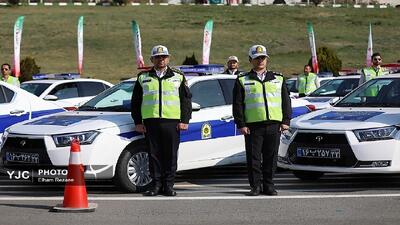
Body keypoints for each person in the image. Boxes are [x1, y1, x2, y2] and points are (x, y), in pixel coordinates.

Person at [131, 45, 192, 197]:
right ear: (152, 59)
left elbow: (186, 101)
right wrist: (138, 121)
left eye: (164, 56)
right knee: (154, 155)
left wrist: (185, 120)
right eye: (158, 57)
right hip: (151, 123)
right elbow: (136, 102)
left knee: (170, 155)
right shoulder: (143, 77)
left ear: (168, 58)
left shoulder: (178, 76)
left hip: (172, 122)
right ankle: (156, 185)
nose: (161, 59)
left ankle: (169, 186)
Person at [233, 45, 291, 196]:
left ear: (267, 59)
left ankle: (269, 185)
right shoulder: (242, 80)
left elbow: (286, 101)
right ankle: (255, 186)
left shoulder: (278, 78)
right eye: (257, 58)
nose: (260, 61)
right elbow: (238, 104)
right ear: (250, 60)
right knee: (253, 158)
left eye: (263, 58)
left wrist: (286, 121)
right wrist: (241, 124)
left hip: (274, 125)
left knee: (271, 157)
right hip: (253, 126)